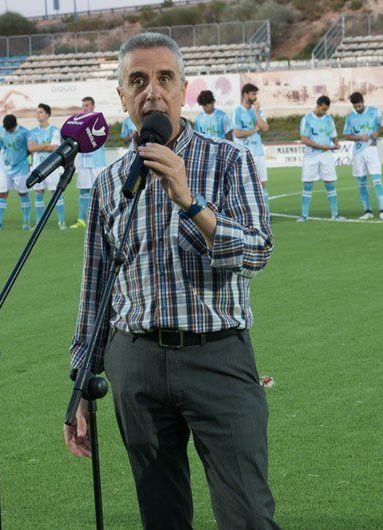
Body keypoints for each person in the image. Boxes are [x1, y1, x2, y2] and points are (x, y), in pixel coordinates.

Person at [64, 32, 279, 530]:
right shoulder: (108, 183)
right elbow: (95, 290)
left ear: (182, 88)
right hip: (134, 364)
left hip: (217, 357)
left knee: (247, 512)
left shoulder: (230, 161)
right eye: (137, 81)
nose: (151, 92)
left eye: (164, 78)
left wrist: (190, 201)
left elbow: (257, 252)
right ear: (122, 96)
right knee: (161, 516)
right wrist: (80, 382)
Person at [343, 92, 383, 220]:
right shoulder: (350, 117)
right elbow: (347, 135)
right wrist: (358, 137)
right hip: (358, 152)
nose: (357, 108)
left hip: (371, 150)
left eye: (359, 106)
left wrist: (377, 132)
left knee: (377, 181)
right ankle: (367, 211)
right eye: (355, 107)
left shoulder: (375, 112)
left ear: (363, 102)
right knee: (362, 183)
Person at [297, 95, 344, 222]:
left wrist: (336, 144)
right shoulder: (306, 119)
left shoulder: (329, 119)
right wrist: (320, 146)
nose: (324, 112)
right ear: (317, 105)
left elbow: (334, 135)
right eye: (322, 109)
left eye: (326, 110)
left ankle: (335, 214)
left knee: (330, 183)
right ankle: (304, 215)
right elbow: (304, 139)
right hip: (311, 156)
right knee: (308, 184)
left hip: (326, 155)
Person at [0, 114, 32, 231]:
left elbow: (29, 149)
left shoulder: (24, 133)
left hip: (21, 167)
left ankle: (26, 223)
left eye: (10, 129)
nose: (8, 131)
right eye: (6, 128)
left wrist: (20, 157)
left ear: (15, 125)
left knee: (23, 193)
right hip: (4, 167)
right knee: (2, 193)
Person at [71, 96, 108, 229]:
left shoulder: (100, 121)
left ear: (93, 106)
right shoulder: (78, 122)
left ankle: (102, 220)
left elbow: (101, 139)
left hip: (98, 162)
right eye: (83, 106)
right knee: (84, 192)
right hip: (84, 162)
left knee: (101, 192)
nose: (85, 108)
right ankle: (81, 219)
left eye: (87, 105)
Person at [233, 83, 270, 216]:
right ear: (245, 95)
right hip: (244, 154)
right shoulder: (237, 111)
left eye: (256, 94)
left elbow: (265, 128)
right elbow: (237, 133)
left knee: (262, 184)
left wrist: (256, 112)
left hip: (258, 153)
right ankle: (247, 214)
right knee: (244, 185)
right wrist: (253, 130)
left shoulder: (258, 111)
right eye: (253, 94)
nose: (255, 97)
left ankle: (266, 215)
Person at [28, 103, 67, 229]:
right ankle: (39, 223)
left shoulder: (55, 130)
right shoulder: (32, 132)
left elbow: (54, 148)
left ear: (47, 114)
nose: (37, 114)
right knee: (38, 193)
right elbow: (31, 148)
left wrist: (39, 147)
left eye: (40, 112)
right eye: (36, 112)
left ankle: (61, 222)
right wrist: (45, 145)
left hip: (52, 166)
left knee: (56, 193)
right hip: (37, 167)